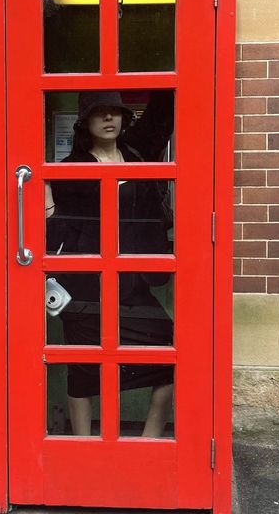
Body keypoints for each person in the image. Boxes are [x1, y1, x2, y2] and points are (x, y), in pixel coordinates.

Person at [45, 90, 175, 437]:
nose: (108, 119)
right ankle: (84, 446)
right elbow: (51, 225)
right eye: (99, 113)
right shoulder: (69, 170)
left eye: (115, 112)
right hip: (86, 286)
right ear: (85, 121)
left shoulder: (137, 153)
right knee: (83, 370)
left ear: (123, 118)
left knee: (170, 352)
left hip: (132, 283)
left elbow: (163, 115)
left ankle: (148, 442)